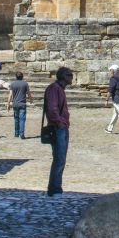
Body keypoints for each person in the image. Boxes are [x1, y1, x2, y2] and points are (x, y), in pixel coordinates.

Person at [44, 67, 73, 196]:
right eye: (69, 74)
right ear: (62, 76)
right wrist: (59, 122)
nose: (71, 77)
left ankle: (55, 187)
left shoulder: (59, 89)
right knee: (59, 158)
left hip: (61, 127)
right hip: (58, 128)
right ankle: (55, 188)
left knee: (60, 159)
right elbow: (52, 108)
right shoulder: (54, 89)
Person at [6, 72, 33, 139]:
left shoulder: (13, 84)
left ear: (16, 77)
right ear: (22, 77)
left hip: (15, 104)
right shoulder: (25, 84)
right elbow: (28, 93)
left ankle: (16, 133)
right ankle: (22, 133)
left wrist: (8, 104)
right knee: (22, 119)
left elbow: (10, 95)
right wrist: (31, 100)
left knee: (16, 119)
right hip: (22, 103)